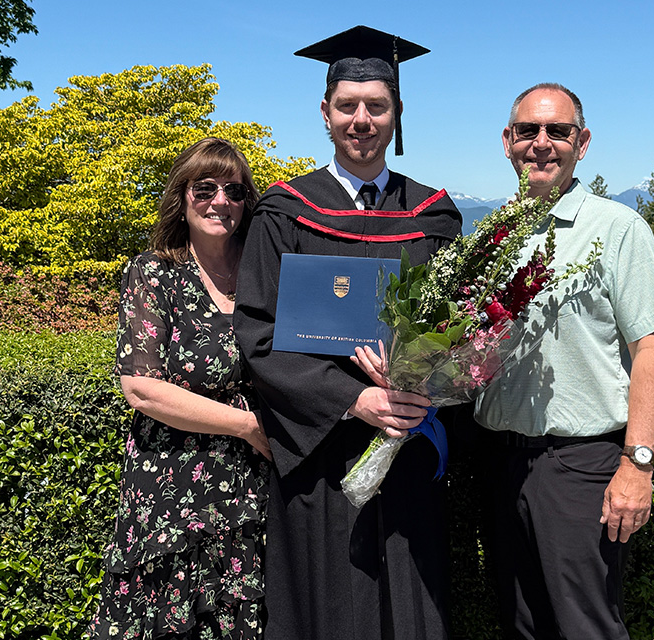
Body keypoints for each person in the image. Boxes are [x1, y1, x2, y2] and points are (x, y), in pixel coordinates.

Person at [233, 26, 462, 640]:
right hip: (322, 456)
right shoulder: (285, 211)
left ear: (397, 113)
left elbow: (458, 329)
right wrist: (354, 399)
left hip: (408, 444)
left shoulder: (433, 214)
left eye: (376, 106)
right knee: (327, 605)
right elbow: (257, 333)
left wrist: (423, 388)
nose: (362, 120)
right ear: (326, 113)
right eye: (347, 106)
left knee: (413, 602)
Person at [472, 84, 654, 640]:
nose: (541, 144)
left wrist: (637, 464)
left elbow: (653, 352)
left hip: (578, 468)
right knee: (520, 625)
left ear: (581, 143)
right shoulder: (490, 235)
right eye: (527, 131)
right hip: (498, 462)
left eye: (558, 131)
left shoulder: (618, 230)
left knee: (584, 627)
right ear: (507, 141)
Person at [89, 138, 271, 640]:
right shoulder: (153, 273)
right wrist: (247, 425)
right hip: (173, 486)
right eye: (205, 188)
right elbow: (143, 389)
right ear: (181, 197)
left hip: (249, 486)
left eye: (234, 191)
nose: (220, 201)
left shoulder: (264, 273)